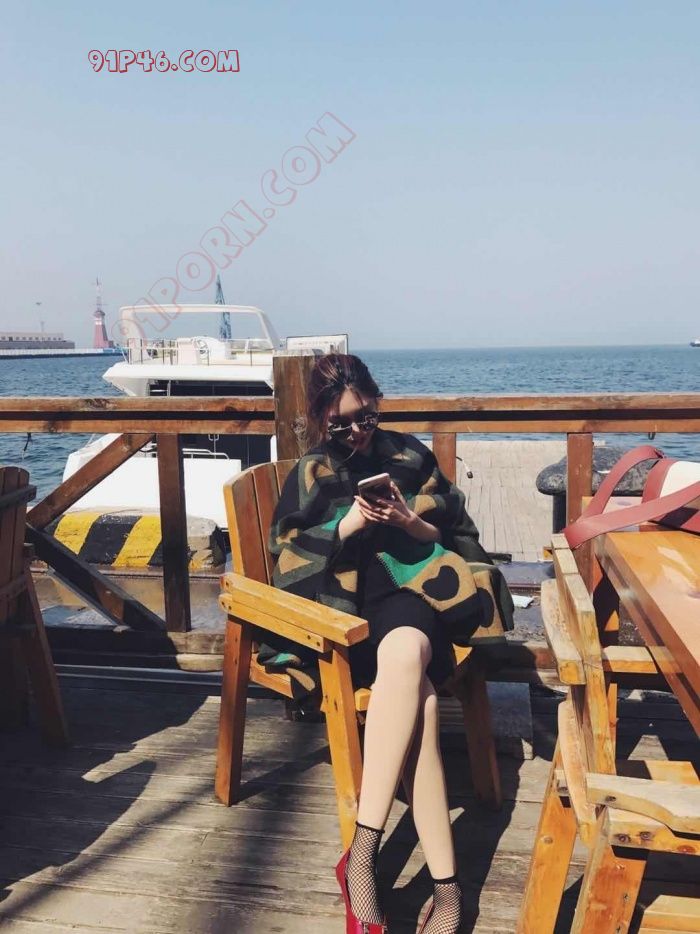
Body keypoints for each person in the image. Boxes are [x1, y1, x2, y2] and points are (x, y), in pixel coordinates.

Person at [269, 354, 513, 934]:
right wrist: (347, 525)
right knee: (420, 702)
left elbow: (454, 534)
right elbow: (287, 557)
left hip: (415, 594)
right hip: (347, 614)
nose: (357, 431)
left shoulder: (409, 455)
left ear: (377, 403)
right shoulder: (313, 470)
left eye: (367, 416)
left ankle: (360, 857)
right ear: (321, 420)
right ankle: (448, 890)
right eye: (341, 424)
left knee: (405, 653)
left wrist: (408, 522)